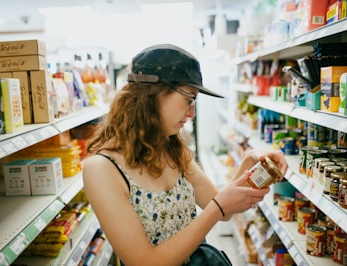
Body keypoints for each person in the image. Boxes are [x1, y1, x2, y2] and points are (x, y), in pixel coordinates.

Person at [82, 44, 288, 265]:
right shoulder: (101, 169)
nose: (192, 113)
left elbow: (220, 205)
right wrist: (217, 210)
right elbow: (143, 262)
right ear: (152, 95)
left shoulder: (171, 148)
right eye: (189, 99)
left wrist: (250, 161)